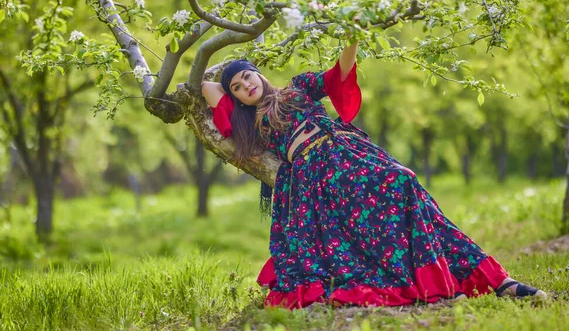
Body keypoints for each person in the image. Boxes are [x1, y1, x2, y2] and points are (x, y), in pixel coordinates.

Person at [200, 40, 546, 309]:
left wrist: (352, 37)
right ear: (236, 98)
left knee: (408, 186)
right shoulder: (250, 120)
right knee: (402, 187)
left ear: (258, 73)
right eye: (237, 87)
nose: (244, 85)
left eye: (247, 76)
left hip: (346, 153)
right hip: (315, 172)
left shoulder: (298, 87)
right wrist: (219, 75)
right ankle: (444, 286)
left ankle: (495, 280)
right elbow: (207, 88)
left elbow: (339, 75)